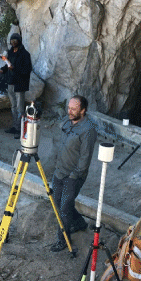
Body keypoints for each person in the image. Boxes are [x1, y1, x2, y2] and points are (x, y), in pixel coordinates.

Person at [50, 95, 97, 252]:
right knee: (58, 203)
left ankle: (62, 240)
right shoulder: (67, 121)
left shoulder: (88, 130)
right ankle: (79, 224)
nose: (69, 111)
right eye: (68, 108)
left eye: (74, 109)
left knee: (64, 208)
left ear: (83, 111)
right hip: (59, 171)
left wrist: (73, 176)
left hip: (73, 176)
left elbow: (85, 159)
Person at [0, 33, 32, 139]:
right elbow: (8, 64)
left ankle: (21, 129)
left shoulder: (25, 54)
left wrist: (14, 68)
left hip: (20, 84)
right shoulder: (11, 52)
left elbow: (27, 69)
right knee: (13, 107)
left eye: (15, 40)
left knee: (20, 108)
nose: (13, 42)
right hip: (11, 83)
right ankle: (15, 127)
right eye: (12, 40)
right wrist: (3, 69)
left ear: (19, 41)